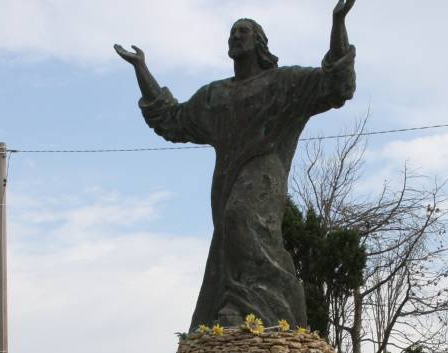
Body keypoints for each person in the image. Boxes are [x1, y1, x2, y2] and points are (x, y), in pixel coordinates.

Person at [114, 0, 357, 331]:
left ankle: (256, 310)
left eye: (243, 31)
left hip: (265, 170)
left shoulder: (282, 83)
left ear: (258, 42)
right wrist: (141, 68)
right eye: (232, 32)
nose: (235, 36)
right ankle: (238, 308)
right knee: (230, 235)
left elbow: (335, 84)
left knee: (240, 217)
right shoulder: (215, 96)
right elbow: (171, 118)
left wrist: (337, 22)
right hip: (227, 180)